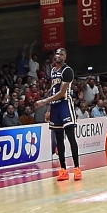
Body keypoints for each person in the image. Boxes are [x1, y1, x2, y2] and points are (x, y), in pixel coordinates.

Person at [35, 48, 81, 181]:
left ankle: (77, 168)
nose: (58, 56)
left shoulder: (67, 71)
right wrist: (49, 109)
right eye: (57, 54)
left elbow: (61, 93)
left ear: (65, 57)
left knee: (71, 137)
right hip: (55, 107)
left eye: (61, 54)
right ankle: (63, 169)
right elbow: (53, 91)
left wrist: (44, 102)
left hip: (65, 104)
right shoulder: (53, 71)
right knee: (59, 139)